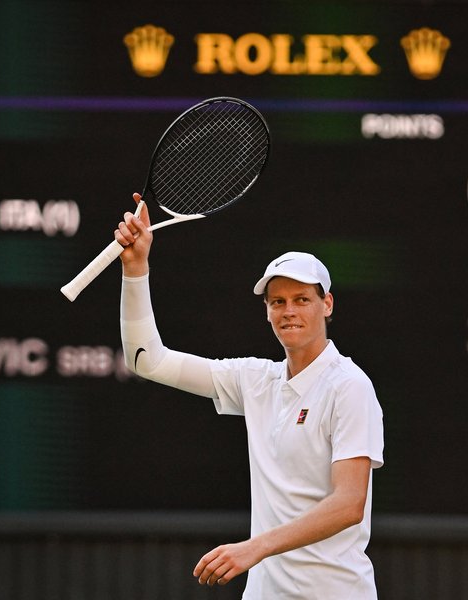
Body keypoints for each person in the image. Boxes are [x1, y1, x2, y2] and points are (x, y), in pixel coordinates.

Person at [116, 192, 384, 599]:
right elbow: (146, 361)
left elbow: (349, 504)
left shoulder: (350, 386)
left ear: (327, 304)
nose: (288, 311)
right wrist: (136, 269)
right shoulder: (256, 380)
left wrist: (254, 547)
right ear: (267, 311)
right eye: (277, 302)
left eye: (301, 300)